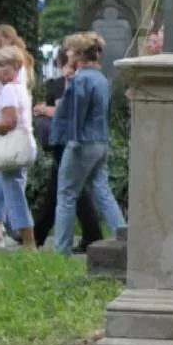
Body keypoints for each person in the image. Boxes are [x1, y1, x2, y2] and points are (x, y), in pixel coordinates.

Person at [52, 32, 126, 255]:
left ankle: (61, 250)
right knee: (103, 192)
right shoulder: (101, 79)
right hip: (100, 140)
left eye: (71, 51)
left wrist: (72, 140)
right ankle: (123, 238)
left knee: (66, 195)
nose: (68, 54)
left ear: (79, 54)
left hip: (81, 142)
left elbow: (75, 113)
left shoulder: (81, 79)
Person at [32, 51, 102, 251]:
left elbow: (70, 113)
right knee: (63, 189)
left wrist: (46, 110)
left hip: (74, 141)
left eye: (72, 65)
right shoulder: (56, 85)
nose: (69, 70)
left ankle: (39, 235)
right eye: (66, 65)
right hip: (62, 141)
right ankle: (90, 234)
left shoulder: (84, 83)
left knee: (68, 189)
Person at [0, 48, 36, 249]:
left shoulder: (10, 89)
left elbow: (9, 122)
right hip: (21, 145)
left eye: (3, 65)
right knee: (1, 192)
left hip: (12, 146)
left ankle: (29, 243)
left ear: (16, 67)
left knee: (14, 196)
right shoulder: (20, 87)